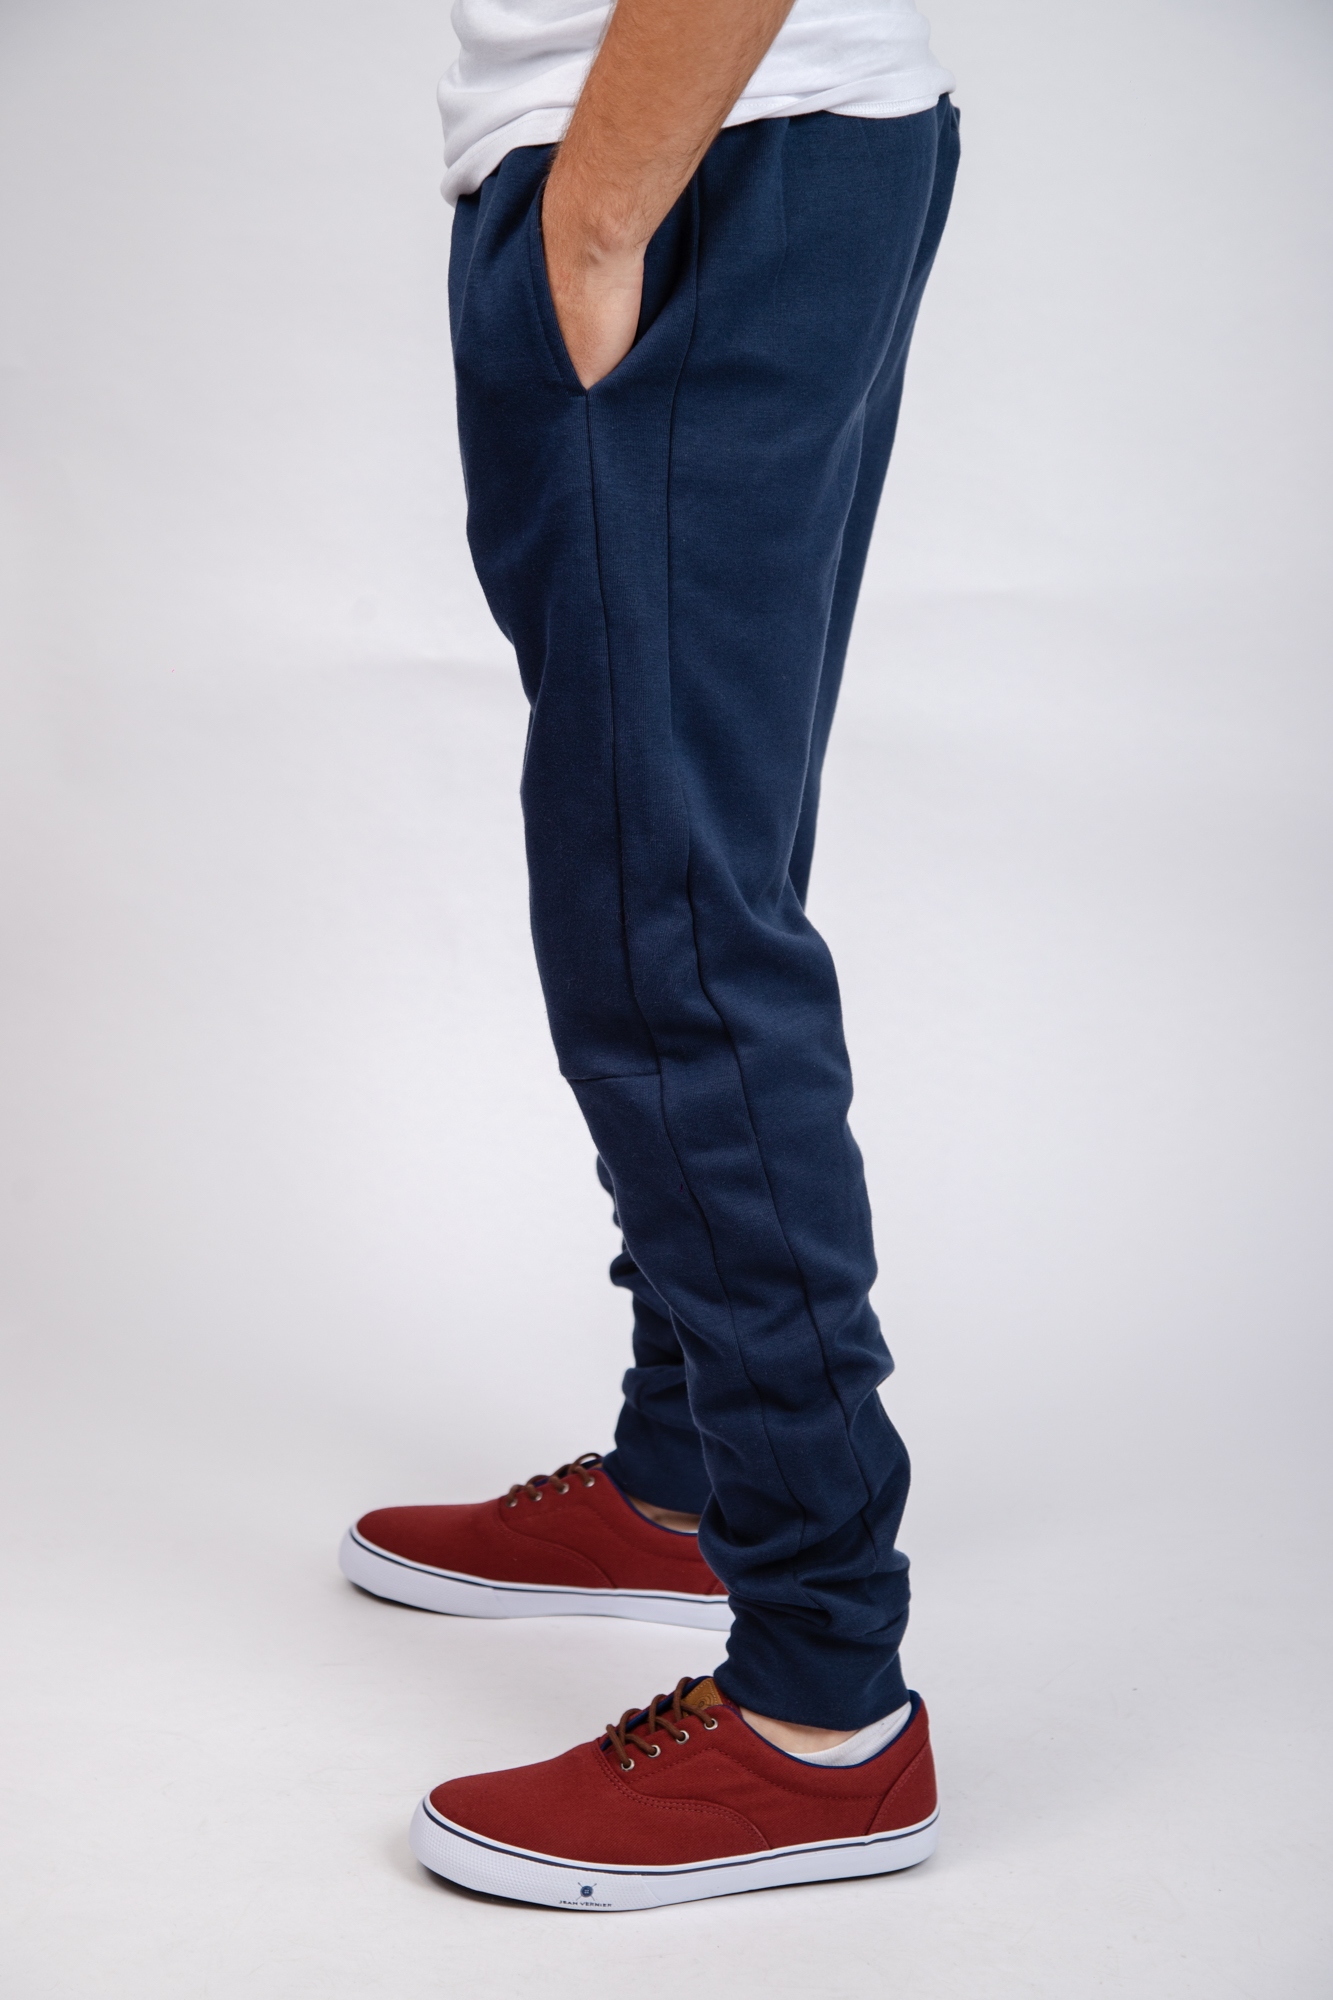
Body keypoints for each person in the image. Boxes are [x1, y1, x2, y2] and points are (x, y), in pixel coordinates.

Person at [340, 0, 960, 1912]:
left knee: (664, 930)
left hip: (693, 160)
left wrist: (599, 219)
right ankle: (682, 1476)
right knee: (691, 868)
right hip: (729, 150)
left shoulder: (640, 196)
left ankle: (822, 1704)